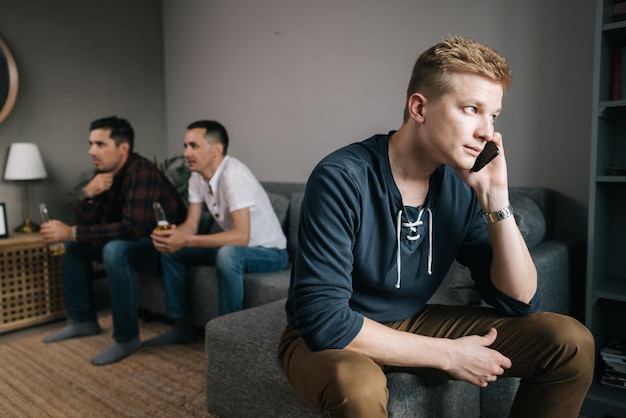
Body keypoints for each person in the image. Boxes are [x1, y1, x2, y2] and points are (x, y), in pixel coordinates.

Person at [278, 36, 594, 417]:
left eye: (493, 116)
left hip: (411, 321)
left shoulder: (459, 188)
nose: (485, 131)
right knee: (357, 387)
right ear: (419, 108)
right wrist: (448, 354)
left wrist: (495, 198)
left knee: (569, 342)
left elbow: (521, 300)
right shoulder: (343, 177)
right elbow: (324, 321)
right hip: (328, 337)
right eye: (471, 109)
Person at [40, 116, 187, 366]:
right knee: (72, 246)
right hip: (134, 245)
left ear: (123, 148)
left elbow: (133, 229)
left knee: (114, 250)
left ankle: (127, 338)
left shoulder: (142, 172)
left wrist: (72, 231)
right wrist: (88, 194)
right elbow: (87, 226)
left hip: (161, 250)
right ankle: (83, 320)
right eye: (91, 144)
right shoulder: (104, 175)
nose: (91, 151)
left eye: (100, 144)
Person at [145, 120, 288, 346]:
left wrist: (187, 239)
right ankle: (181, 325)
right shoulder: (197, 177)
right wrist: (173, 237)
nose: (186, 153)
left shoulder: (234, 175)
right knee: (174, 251)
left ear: (217, 150)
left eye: (194, 146)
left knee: (228, 254)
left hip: (270, 253)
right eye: (185, 146)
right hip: (235, 249)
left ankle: (228, 337)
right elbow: (191, 225)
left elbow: (241, 236)